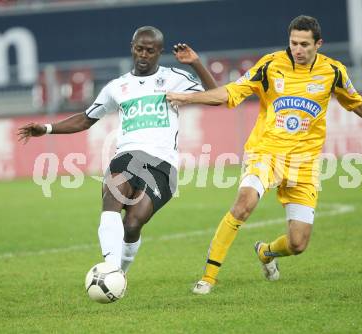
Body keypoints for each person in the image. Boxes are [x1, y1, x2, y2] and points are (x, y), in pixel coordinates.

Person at [167, 15, 362, 295]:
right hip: (266, 153)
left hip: (305, 164)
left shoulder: (333, 71)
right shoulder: (270, 65)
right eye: (293, 43)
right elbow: (228, 94)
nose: (298, 50)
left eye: (304, 44)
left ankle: (266, 252)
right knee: (243, 204)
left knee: (297, 244)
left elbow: (356, 104)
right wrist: (186, 97)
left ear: (319, 44)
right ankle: (208, 277)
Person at [17, 26, 217, 281]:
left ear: (159, 52)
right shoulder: (117, 87)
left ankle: (119, 272)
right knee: (112, 198)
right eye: (139, 49)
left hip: (163, 164)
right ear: (132, 47)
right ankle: (111, 270)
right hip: (127, 156)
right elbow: (86, 119)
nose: (143, 55)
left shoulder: (174, 78)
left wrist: (196, 63)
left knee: (133, 224)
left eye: (150, 51)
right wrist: (46, 128)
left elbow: (216, 97)